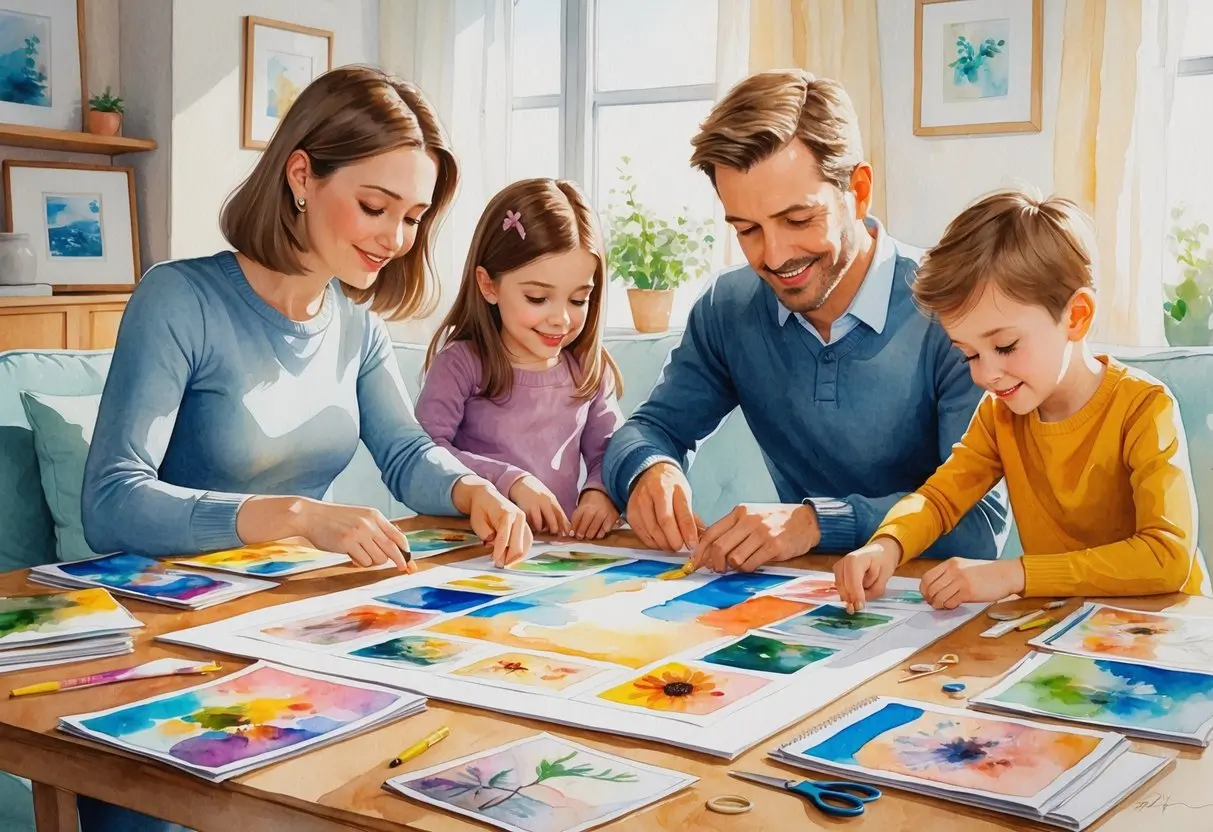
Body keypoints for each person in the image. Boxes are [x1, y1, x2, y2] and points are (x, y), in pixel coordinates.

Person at [80, 66, 531, 831]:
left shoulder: (357, 327)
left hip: (286, 636)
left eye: (413, 216)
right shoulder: (178, 298)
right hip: (168, 659)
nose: (394, 238)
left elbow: (403, 452)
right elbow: (110, 500)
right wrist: (293, 515)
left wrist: (474, 491)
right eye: (374, 206)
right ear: (300, 175)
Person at [602, 69, 1009, 572]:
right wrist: (651, 468)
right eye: (748, 229)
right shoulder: (727, 308)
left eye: (798, 220)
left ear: (859, 192)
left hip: (929, 607)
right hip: (798, 606)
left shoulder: (956, 312)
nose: (774, 256)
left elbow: (980, 524)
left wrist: (816, 523)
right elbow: (647, 429)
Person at [834, 189, 1208, 612]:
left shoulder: (1144, 408)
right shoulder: (1000, 415)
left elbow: (1167, 556)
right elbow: (940, 497)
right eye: (969, 354)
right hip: (1064, 626)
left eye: (1006, 346)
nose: (986, 374)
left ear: (1077, 316)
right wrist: (888, 545)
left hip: (1172, 634)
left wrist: (1016, 574)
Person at [416, 178, 624, 539]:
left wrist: (599, 493)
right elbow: (422, 454)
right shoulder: (461, 364)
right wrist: (510, 482)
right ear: (488, 285)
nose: (561, 318)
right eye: (537, 298)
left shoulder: (589, 368)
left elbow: (609, 452)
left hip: (554, 555)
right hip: (473, 549)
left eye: (578, 300)